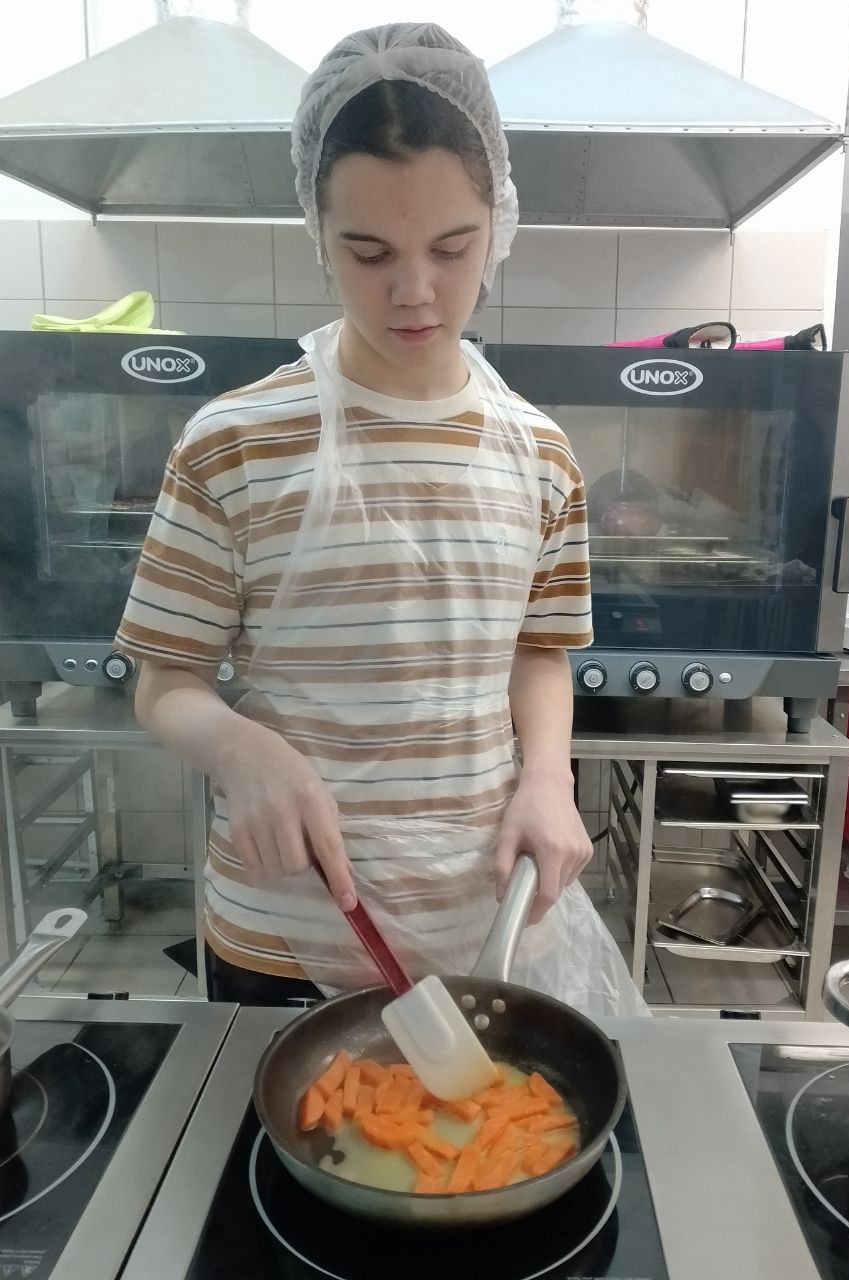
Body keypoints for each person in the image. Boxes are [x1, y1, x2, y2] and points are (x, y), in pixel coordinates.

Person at [116, 23, 646, 1016]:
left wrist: (548, 776)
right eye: (368, 252)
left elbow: (537, 650)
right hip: (282, 935)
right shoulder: (233, 444)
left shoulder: (539, 455)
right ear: (316, 231)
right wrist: (241, 749)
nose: (414, 291)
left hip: (481, 925)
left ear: (500, 223)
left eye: (452, 248)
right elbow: (164, 683)